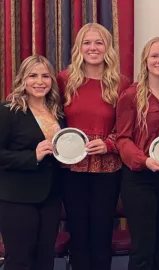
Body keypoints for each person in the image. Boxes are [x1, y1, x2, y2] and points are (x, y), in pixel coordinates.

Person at [57, 23, 131, 270]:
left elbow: (126, 126)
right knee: (78, 233)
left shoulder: (121, 83)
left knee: (101, 235)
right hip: (71, 169)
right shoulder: (64, 80)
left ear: (108, 48)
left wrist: (109, 144)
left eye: (99, 42)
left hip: (107, 171)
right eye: (87, 42)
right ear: (79, 47)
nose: (93, 48)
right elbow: (51, 120)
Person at [116, 37, 159, 270]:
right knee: (143, 248)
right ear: (145, 61)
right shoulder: (130, 96)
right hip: (139, 179)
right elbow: (122, 138)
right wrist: (145, 161)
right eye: (154, 56)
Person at [0, 55, 64, 270]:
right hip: (17, 198)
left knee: (45, 259)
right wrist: (32, 157)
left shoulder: (57, 112)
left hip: (51, 196)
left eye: (45, 76)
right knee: (20, 260)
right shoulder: (8, 111)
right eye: (33, 76)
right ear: (22, 80)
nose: (40, 81)